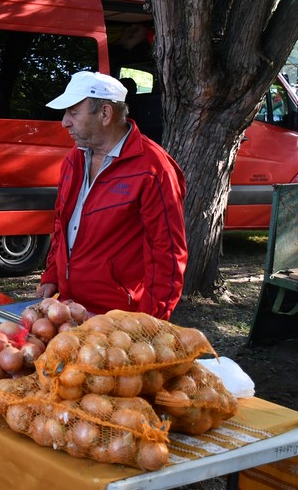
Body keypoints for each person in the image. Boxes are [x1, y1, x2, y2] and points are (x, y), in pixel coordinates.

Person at [37, 71, 187, 321]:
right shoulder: (75, 159)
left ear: (105, 113)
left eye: (73, 112)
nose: (64, 122)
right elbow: (62, 225)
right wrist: (52, 275)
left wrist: (152, 321)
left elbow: (168, 253)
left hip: (118, 317)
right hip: (69, 308)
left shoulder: (153, 169)